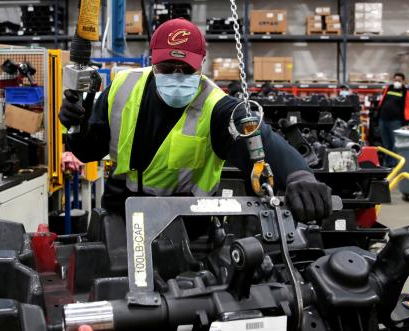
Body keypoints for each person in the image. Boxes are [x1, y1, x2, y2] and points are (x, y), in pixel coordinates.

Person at [59, 18, 332, 225]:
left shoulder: (217, 107)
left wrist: (299, 174)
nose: (177, 76)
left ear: (201, 65)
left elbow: (260, 137)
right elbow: (86, 151)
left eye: (186, 69)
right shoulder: (123, 87)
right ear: (152, 62)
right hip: (122, 213)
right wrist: (76, 124)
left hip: (186, 223)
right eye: (167, 68)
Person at [377, 72, 409, 167]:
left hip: (395, 122)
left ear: (403, 81)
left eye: (399, 80)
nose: (397, 82)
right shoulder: (388, 88)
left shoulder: (405, 91)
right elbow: (382, 101)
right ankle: (388, 164)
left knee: (395, 145)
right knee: (386, 144)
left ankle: (395, 165)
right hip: (383, 120)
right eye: (395, 80)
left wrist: (407, 120)